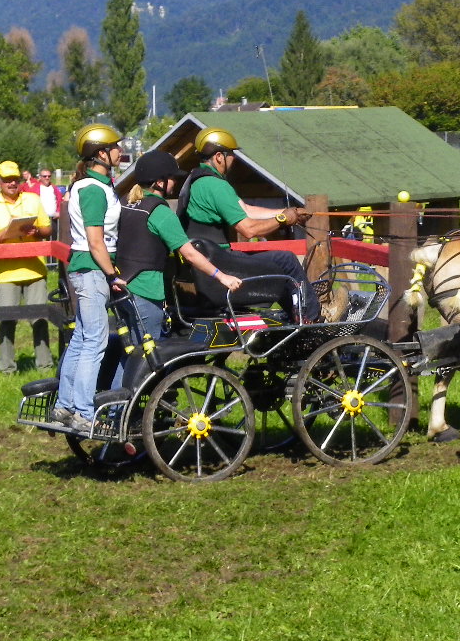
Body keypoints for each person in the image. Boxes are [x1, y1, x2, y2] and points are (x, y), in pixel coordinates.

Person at [111, 150, 242, 387]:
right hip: (146, 292)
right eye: (172, 177)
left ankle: (114, 407)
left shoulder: (126, 204)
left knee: (129, 357)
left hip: (122, 291)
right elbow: (189, 253)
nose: (175, 182)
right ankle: (128, 407)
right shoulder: (159, 212)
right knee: (145, 362)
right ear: (159, 182)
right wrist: (221, 276)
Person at [179, 127, 319, 323]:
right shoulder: (216, 186)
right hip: (220, 263)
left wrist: (289, 212)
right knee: (286, 260)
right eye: (231, 154)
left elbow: (245, 210)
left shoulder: (196, 180)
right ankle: (313, 318)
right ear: (219, 157)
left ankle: (297, 317)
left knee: (280, 259)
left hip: (211, 259)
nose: (234, 159)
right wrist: (282, 219)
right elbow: (248, 229)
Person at [53, 124, 123, 432]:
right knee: (95, 340)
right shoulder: (94, 189)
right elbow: (96, 241)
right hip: (94, 269)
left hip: (84, 268)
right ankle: (83, 411)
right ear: (101, 154)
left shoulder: (89, 185)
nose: (120, 151)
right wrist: (112, 274)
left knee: (82, 338)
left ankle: (64, 405)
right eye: (115, 146)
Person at [0, 162, 53, 375]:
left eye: (15, 179)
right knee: (6, 320)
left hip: (34, 270)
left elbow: (47, 229)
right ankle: (7, 368)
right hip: (4, 274)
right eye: (7, 180)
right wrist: (7, 232)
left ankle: (45, 366)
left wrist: (36, 231)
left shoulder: (33, 199)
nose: (12, 183)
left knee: (39, 319)